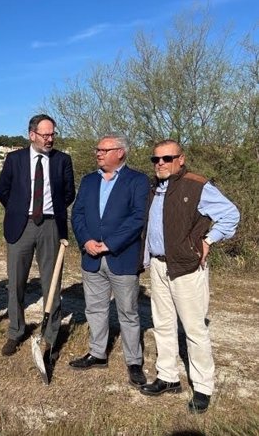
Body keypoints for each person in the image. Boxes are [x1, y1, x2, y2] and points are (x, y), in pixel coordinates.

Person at [139, 140, 239, 414]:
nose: (160, 163)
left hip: (187, 267)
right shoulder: (154, 187)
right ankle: (168, 376)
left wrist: (208, 240)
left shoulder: (197, 185)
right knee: (163, 323)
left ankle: (203, 388)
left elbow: (231, 215)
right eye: (156, 159)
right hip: (159, 266)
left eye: (167, 158)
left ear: (180, 159)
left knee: (194, 330)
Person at [69, 135, 149, 386]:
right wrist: (85, 241)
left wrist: (110, 243)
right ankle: (97, 353)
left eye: (104, 150)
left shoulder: (137, 180)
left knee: (128, 312)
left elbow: (138, 218)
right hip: (91, 256)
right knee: (94, 308)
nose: (98, 153)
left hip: (121, 257)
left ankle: (134, 361)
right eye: (97, 149)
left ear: (121, 153)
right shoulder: (89, 180)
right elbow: (77, 213)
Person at [0, 114, 75, 357]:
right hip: (21, 225)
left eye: (53, 134)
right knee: (16, 282)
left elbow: (69, 193)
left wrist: (54, 213)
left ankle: (49, 336)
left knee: (52, 283)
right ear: (32, 135)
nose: (50, 139)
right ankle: (16, 330)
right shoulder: (14, 159)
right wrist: (19, 210)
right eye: (45, 135)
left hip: (51, 226)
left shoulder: (62, 160)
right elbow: (2, 191)